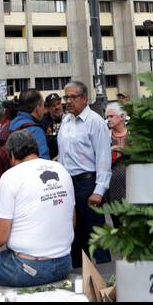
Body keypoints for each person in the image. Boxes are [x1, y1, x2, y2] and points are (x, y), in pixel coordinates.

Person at [0, 129, 74, 288]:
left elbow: (0, 239)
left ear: (12, 156)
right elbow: (71, 220)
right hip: (64, 262)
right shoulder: (61, 169)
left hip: (28, 268)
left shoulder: (11, 176)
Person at [56, 80, 112, 268]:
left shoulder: (95, 122)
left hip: (88, 184)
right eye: (66, 97)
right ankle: (79, 282)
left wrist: (99, 190)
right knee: (74, 237)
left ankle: (106, 281)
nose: (68, 101)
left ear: (85, 99)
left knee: (96, 236)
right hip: (68, 185)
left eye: (73, 97)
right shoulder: (66, 120)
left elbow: (103, 157)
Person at [10, 90, 51, 158]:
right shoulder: (36, 131)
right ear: (37, 107)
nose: (44, 108)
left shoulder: (12, 124)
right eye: (43, 105)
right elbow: (43, 163)